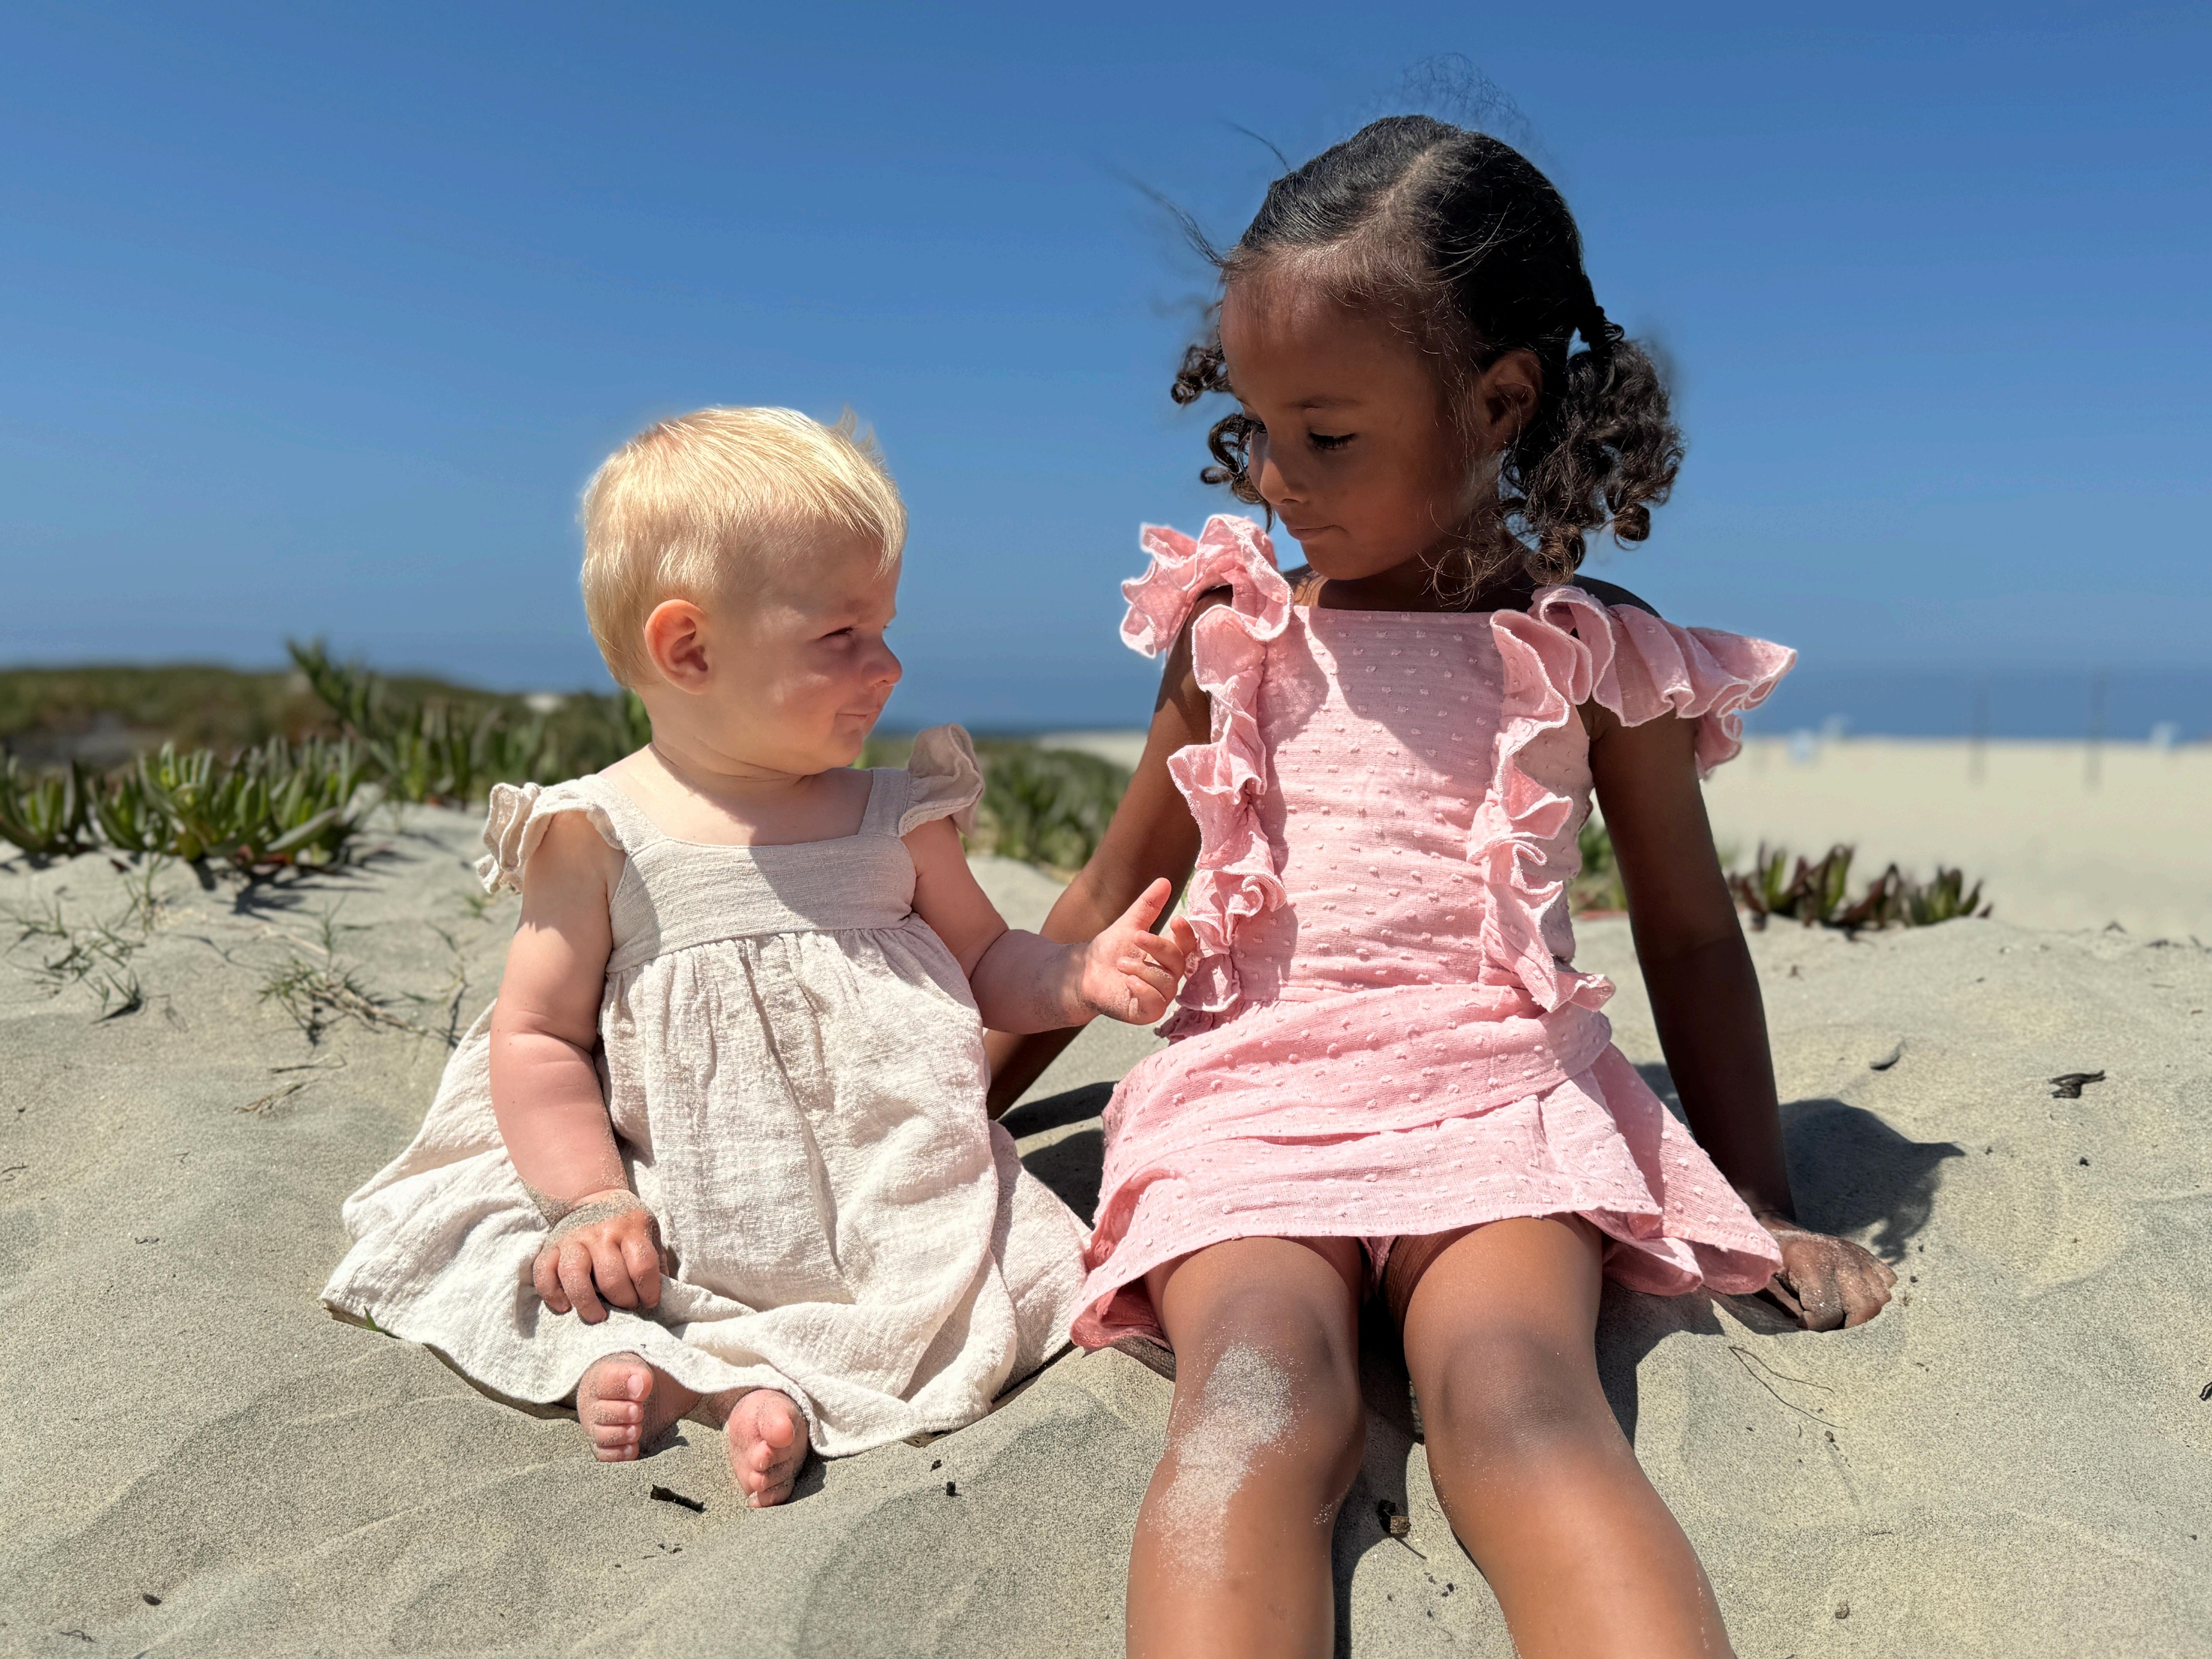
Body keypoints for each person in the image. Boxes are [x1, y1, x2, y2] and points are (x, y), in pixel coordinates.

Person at [985, 117, 1896, 1656]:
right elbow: (1106, 901)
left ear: (1499, 401)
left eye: (1328, 435)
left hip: (1497, 1110)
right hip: (1252, 1111)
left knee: (1522, 1404)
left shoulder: (1586, 648)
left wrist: (1760, 1203)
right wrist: (956, 1106)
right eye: (1258, 425)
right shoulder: (1235, 631)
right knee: (1256, 1397)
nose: (1277, 476)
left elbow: (1688, 933)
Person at [324, 407, 1192, 1507]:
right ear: (690, 650)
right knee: (587, 1271)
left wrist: (1075, 977)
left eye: (885, 627)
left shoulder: (897, 815)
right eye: (842, 636)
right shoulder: (599, 834)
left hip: (887, 1176)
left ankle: (764, 1392)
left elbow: (988, 961)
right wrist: (588, 1198)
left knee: (996, 1265)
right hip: (678, 1185)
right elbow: (537, 1036)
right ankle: (658, 1364)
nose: (889, 664)